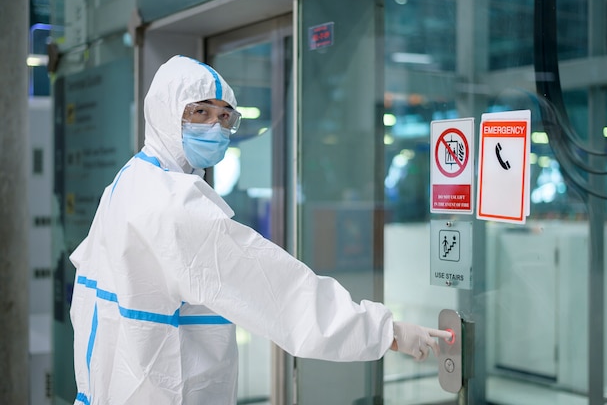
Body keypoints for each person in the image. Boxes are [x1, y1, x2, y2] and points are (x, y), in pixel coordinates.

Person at [69, 55, 449, 405]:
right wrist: (387, 332)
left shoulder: (129, 181)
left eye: (223, 117)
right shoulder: (173, 205)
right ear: (164, 112)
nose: (214, 127)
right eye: (199, 112)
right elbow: (278, 292)